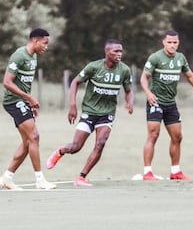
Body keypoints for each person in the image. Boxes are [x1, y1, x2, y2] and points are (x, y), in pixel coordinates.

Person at [46, 39, 134, 186]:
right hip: (89, 112)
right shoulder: (94, 67)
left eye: (121, 51)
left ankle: (81, 177)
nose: (119, 54)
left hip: (107, 114)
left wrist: (129, 102)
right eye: (115, 51)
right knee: (75, 147)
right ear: (107, 52)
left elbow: (129, 90)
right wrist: (72, 105)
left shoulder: (124, 70)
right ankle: (60, 151)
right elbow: (75, 82)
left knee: (101, 143)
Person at [140, 29, 193, 181]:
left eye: (175, 42)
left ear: (178, 43)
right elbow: (144, 77)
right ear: (163, 42)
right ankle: (147, 172)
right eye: (169, 42)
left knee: (177, 137)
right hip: (155, 102)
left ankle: (175, 172)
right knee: (153, 135)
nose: (172, 45)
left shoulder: (181, 58)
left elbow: (190, 76)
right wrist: (148, 93)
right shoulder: (155, 57)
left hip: (171, 104)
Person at [0, 28, 56, 190]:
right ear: (35, 41)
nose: (46, 47)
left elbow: (25, 83)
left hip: (22, 102)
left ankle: (7, 178)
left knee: (27, 142)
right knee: (34, 137)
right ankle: (40, 180)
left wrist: (29, 103)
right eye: (44, 43)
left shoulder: (34, 57)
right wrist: (29, 98)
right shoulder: (19, 55)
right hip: (13, 101)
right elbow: (7, 82)